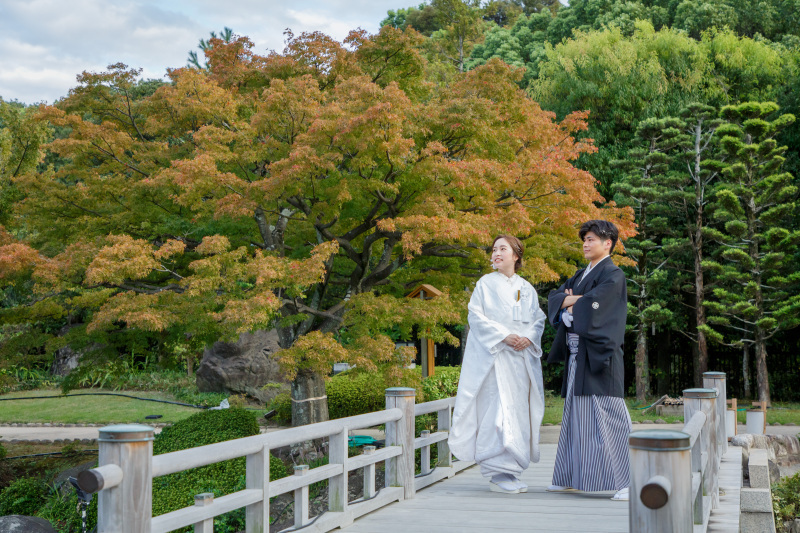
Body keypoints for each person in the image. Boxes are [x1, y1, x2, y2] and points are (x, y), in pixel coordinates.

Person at [448, 235, 547, 494]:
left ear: (516, 256)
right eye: (494, 249)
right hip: (496, 359)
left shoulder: (526, 288)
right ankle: (497, 472)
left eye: (503, 249)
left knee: (517, 411)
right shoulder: (485, 284)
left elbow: (538, 319)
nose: (497, 253)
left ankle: (511, 469)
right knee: (497, 413)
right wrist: (504, 335)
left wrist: (528, 337)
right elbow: (476, 317)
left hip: (519, 361)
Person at [546, 220, 631, 501]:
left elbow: (597, 306)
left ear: (608, 243)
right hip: (577, 356)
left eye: (591, 239)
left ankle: (629, 481)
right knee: (576, 417)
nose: (585, 243)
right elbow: (555, 297)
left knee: (609, 415)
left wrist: (572, 303)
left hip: (599, 356)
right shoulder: (581, 274)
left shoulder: (614, 275)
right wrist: (573, 301)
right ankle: (569, 477)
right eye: (584, 239)